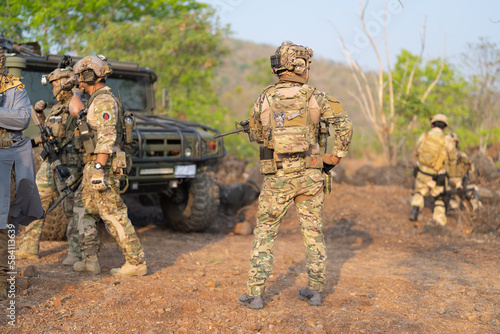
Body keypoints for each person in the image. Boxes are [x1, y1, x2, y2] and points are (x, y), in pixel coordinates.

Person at [238, 41, 353, 309]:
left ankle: (255, 294)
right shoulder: (317, 97)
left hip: (277, 177)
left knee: (265, 231)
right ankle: (315, 290)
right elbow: (344, 127)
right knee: (312, 232)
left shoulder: (263, 98)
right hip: (310, 175)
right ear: (300, 66)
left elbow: (257, 135)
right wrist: (335, 157)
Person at [68, 55, 146, 276]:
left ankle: (136, 261)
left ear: (89, 76)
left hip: (103, 164)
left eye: (80, 78)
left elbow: (107, 137)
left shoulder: (104, 102)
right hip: (92, 162)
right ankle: (90, 259)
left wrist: (99, 170)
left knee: (113, 214)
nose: (78, 83)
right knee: (84, 211)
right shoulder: (94, 101)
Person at [17, 66, 82, 265]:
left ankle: (75, 253)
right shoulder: (55, 107)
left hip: (68, 164)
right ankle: (28, 248)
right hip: (50, 163)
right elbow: (50, 131)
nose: (52, 88)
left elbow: (74, 132)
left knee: (71, 209)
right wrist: (40, 116)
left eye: (55, 84)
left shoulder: (76, 105)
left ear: (65, 83)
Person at [0, 52, 44, 299]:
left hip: (5, 156)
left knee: (3, 218)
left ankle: (4, 278)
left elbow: (22, 119)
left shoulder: (13, 87)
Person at [409, 114, 457, 234]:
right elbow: (453, 159)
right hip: (437, 175)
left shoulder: (424, 136)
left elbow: (416, 152)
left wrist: (418, 165)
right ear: (445, 127)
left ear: (432, 125)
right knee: (439, 198)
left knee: (419, 192)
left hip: (422, 172)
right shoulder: (447, 140)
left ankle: (414, 210)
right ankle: (438, 223)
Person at [446, 132, 482, 213]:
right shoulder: (443, 156)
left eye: (454, 142)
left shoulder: (462, 155)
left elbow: (471, 169)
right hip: (447, 183)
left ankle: (476, 212)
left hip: (460, 184)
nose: (452, 144)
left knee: (474, 190)